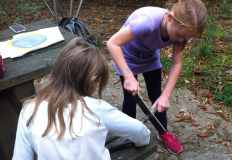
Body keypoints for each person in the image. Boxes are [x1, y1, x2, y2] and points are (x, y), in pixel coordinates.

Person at [12, 37, 150, 160]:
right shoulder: (96, 109)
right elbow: (140, 132)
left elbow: (21, 156)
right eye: (98, 82)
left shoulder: (29, 110)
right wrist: (142, 141)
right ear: (92, 79)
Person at [107, 0, 207, 154]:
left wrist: (166, 96)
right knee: (130, 97)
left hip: (149, 57)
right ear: (170, 18)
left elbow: (176, 64)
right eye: (179, 35)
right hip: (127, 57)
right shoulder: (146, 22)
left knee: (157, 95)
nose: (180, 41)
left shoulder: (180, 31)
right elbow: (113, 44)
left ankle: (163, 133)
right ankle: (130, 134)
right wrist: (128, 76)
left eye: (185, 38)